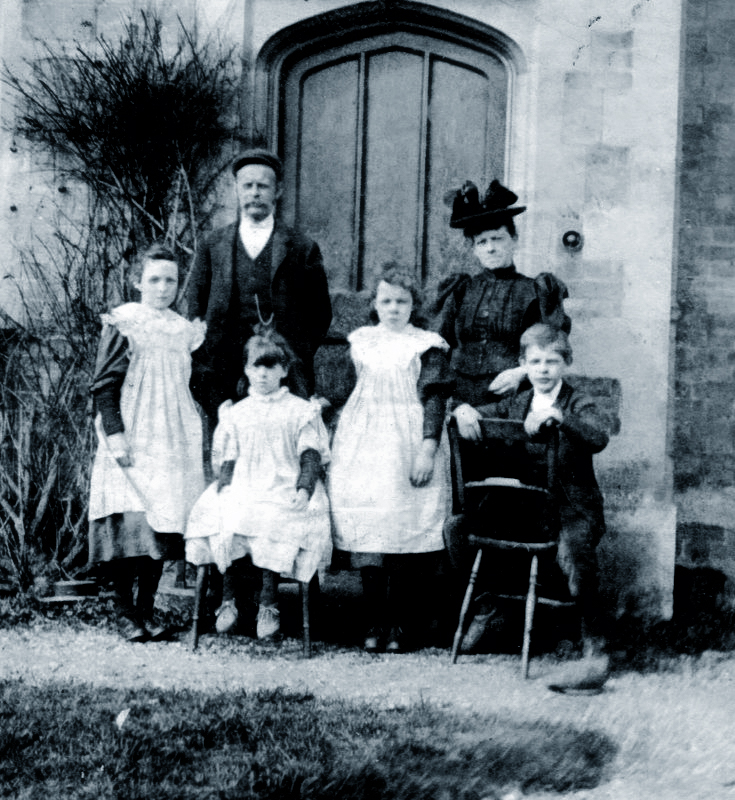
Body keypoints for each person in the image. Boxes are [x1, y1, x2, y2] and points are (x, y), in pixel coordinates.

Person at [433, 179, 571, 646]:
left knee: (514, 501)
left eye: (497, 239)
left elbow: (550, 350)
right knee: (467, 504)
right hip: (467, 413)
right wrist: (453, 408)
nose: (490, 248)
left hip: (515, 411)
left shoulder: (535, 290)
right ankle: (475, 607)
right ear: (473, 249)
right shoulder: (460, 292)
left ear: (513, 241)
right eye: (481, 242)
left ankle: (511, 612)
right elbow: (438, 350)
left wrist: (521, 373)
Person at [477, 323, 611, 692]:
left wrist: (561, 418)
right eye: (535, 361)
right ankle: (489, 612)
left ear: (565, 364)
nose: (544, 369)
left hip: (573, 507)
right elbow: (481, 409)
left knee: (576, 555)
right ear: (523, 364)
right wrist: (463, 412)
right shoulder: (518, 401)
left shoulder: (577, 401)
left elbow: (599, 435)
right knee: (469, 531)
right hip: (528, 508)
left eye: (553, 361)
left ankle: (595, 649)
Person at [329, 263, 453, 653]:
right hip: (363, 442)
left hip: (407, 440)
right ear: (375, 304)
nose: (394, 308)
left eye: (402, 301)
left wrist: (428, 446)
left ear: (414, 305)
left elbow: (434, 397)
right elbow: (343, 389)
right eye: (386, 300)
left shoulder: (426, 344)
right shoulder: (362, 340)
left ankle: (399, 623)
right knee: (371, 526)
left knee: (401, 524)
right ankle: (373, 619)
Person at [88, 243, 206, 642]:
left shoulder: (182, 330)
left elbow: (193, 382)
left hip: (171, 435)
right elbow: (105, 384)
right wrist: (116, 435)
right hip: (133, 430)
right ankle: (125, 612)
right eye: (153, 279)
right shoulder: (125, 322)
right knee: (129, 519)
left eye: (170, 280)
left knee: (162, 519)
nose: (162, 288)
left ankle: (146, 610)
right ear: (137, 281)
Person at [184, 326, 332, 640]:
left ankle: (269, 603)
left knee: (272, 519)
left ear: (284, 370)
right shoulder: (236, 413)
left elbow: (310, 455)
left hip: (286, 486)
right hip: (246, 484)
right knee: (223, 515)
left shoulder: (299, 411)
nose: (263, 374)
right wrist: (224, 486)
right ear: (246, 370)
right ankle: (229, 600)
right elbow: (228, 459)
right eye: (256, 366)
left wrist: (304, 489)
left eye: (271, 366)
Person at [186, 147, 332, 427]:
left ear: (277, 191)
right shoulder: (212, 245)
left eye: (263, 186)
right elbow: (196, 306)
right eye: (248, 185)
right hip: (224, 368)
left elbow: (320, 314)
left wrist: (290, 353)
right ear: (237, 190)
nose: (255, 193)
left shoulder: (301, 247)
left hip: (280, 369)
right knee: (228, 445)